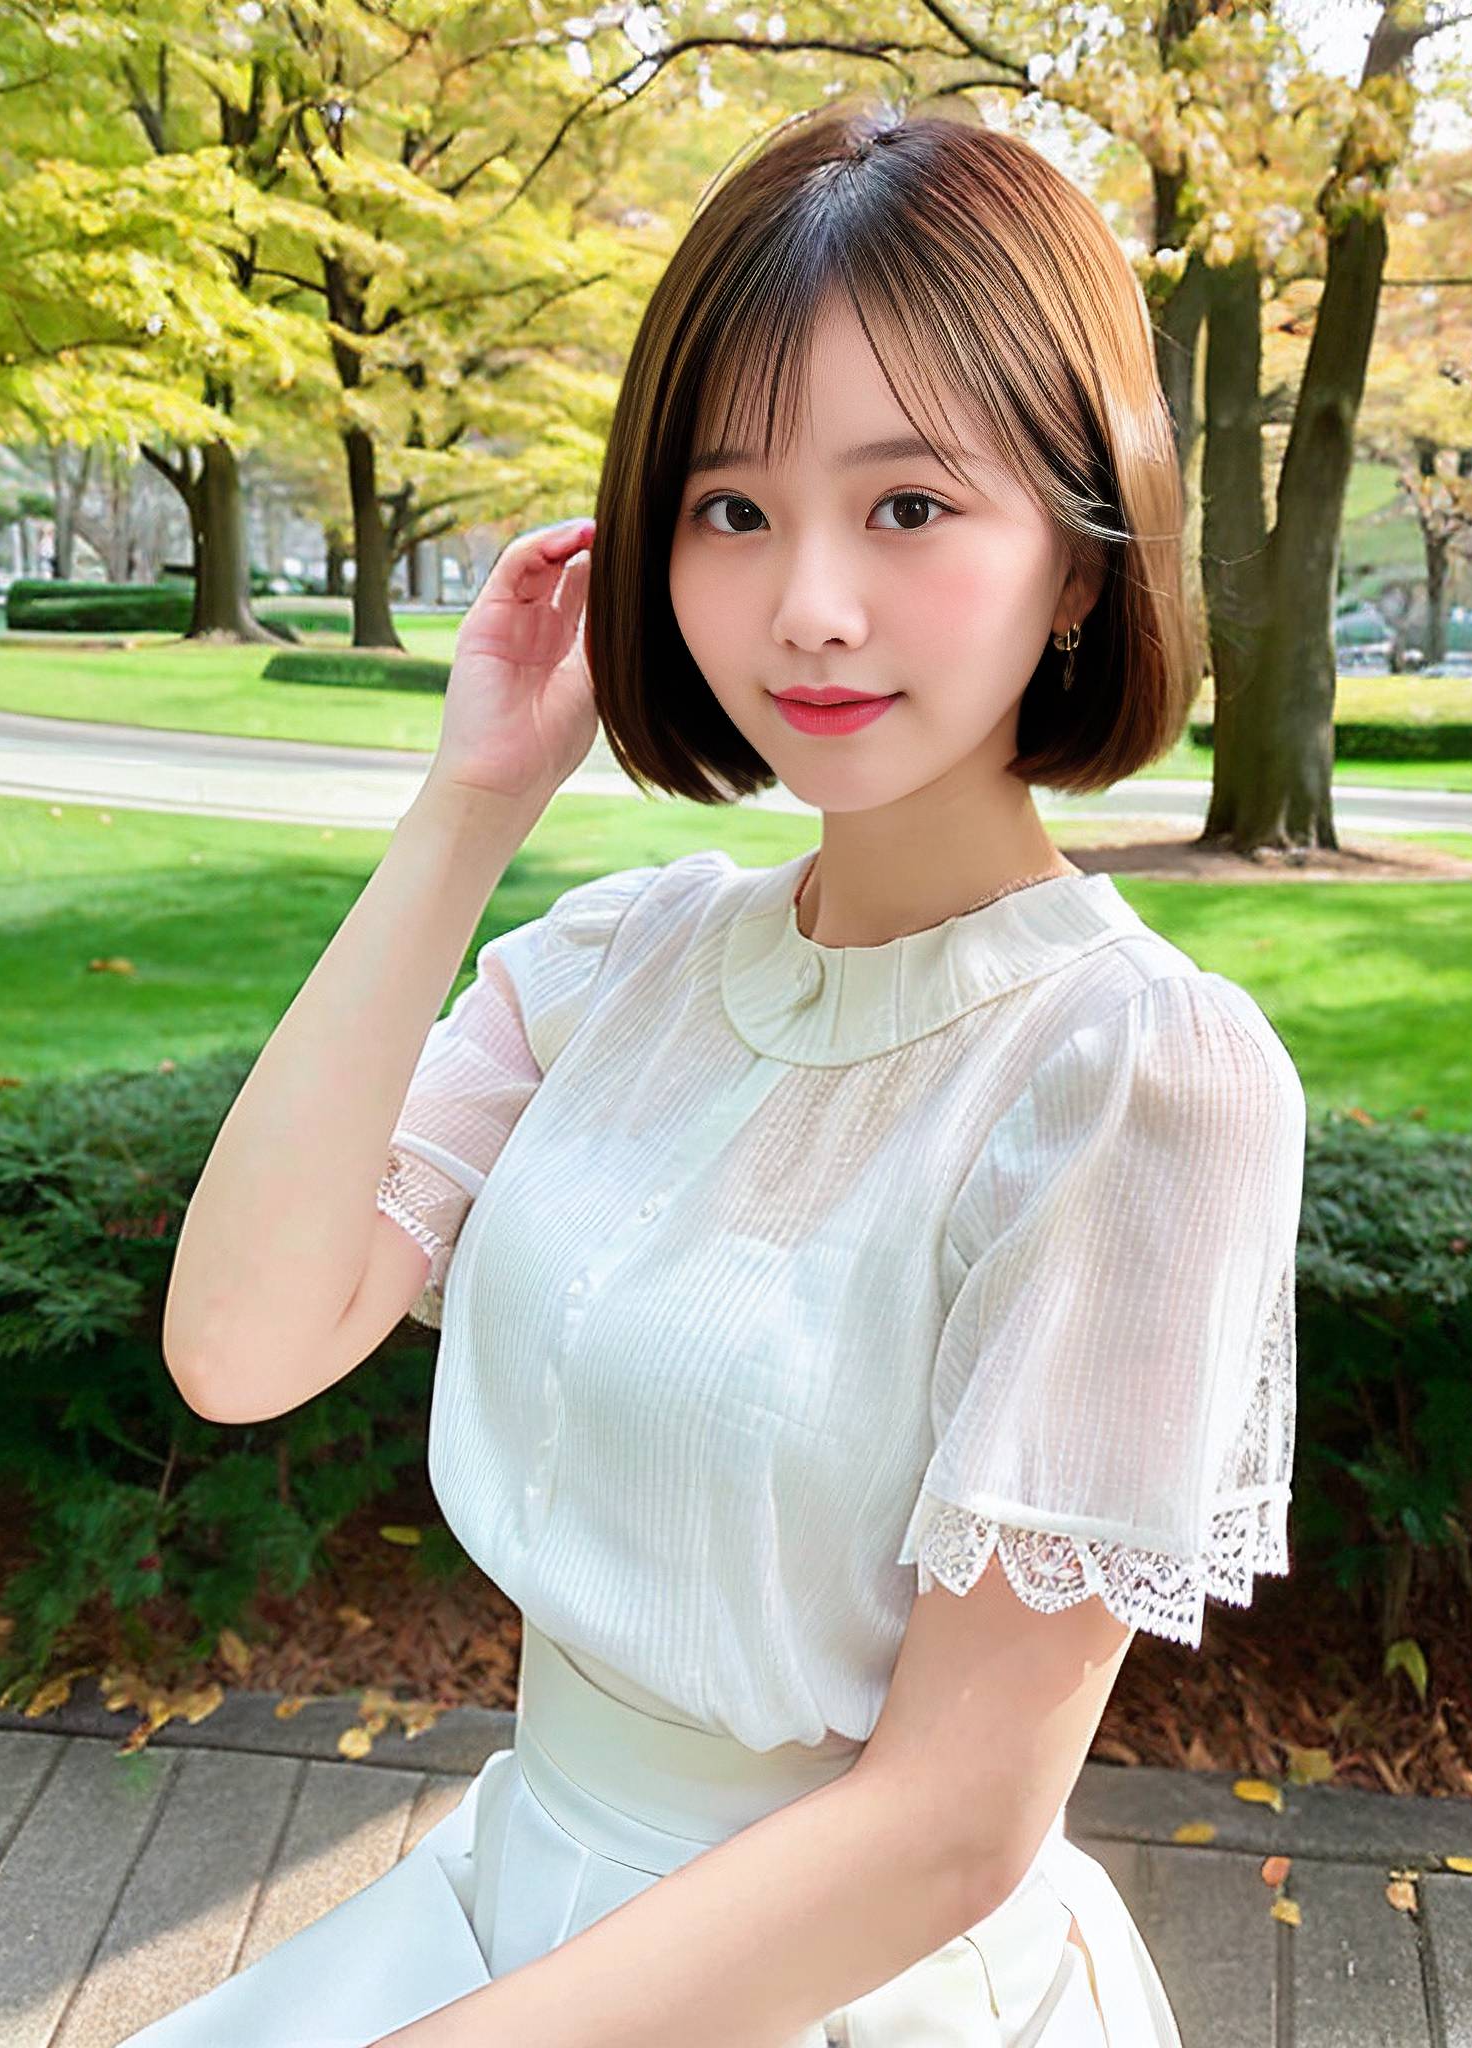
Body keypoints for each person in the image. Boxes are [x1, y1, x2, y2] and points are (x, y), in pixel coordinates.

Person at [133, 94, 1308, 2048]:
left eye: (907, 506)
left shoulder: (1130, 1079)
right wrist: (466, 809)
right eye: (732, 507)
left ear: (1081, 563)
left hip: (845, 1992)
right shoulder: (628, 963)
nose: (807, 605)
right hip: (511, 1908)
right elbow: (240, 1347)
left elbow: (946, 1823)